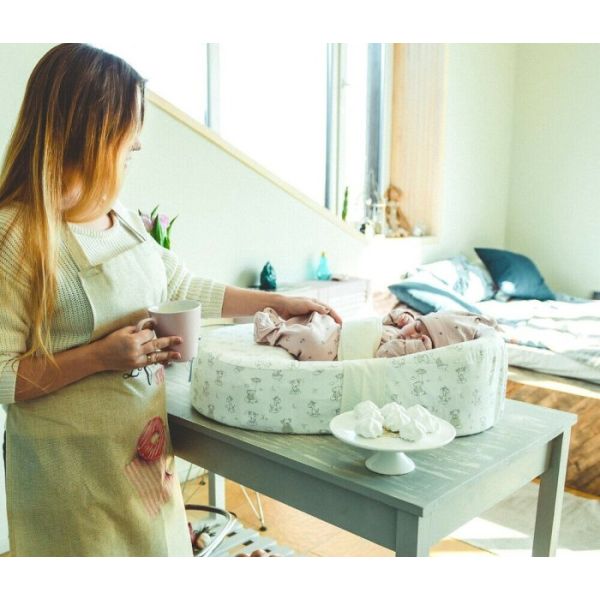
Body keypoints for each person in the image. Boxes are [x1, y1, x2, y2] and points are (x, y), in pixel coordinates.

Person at [0, 43, 340, 557]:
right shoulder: (15, 236)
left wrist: (277, 303)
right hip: (69, 482)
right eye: (129, 131)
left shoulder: (121, 216)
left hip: (143, 460)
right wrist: (99, 357)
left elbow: (179, 286)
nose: (137, 143)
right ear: (93, 130)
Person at [254, 307, 498, 360]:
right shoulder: (400, 327)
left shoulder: (405, 352)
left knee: (312, 343)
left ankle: (273, 330)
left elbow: (383, 354)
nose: (410, 336)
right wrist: (403, 316)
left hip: (337, 351)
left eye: (423, 340)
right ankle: (289, 319)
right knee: (321, 319)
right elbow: (383, 320)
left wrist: (413, 348)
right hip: (342, 331)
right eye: (417, 328)